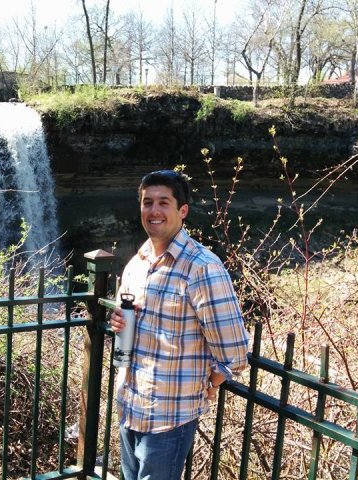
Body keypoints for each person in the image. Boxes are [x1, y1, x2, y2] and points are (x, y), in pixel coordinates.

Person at [109, 169, 250, 480]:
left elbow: (236, 350)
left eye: (163, 203)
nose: (153, 211)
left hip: (169, 417)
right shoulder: (136, 264)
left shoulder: (201, 267)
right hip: (130, 407)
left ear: (182, 211)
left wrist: (208, 383)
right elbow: (130, 327)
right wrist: (119, 321)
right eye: (147, 202)